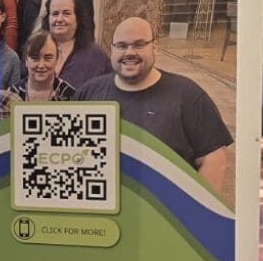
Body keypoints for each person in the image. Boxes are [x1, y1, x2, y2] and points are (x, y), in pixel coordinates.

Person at [77, 18, 233, 188]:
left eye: (139, 44)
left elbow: (214, 158)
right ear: (112, 49)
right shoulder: (90, 92)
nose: (129, 52)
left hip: (164, 210)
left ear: (154, 47)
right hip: (103, 206)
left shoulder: (186, 95)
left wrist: (198, 211)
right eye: (121, 46)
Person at [42, 0, 110, 88]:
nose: (60, 19)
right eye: (55, 14)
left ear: (78, 19)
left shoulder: (96, 55)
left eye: (66, 13)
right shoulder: (35, 50)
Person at [8, 29, 77, 103]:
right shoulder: (12, 94)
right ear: (26, 60)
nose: (41, 65)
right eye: (35, 58)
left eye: (48, 58)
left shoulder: (70, 95)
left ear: (57, 59)